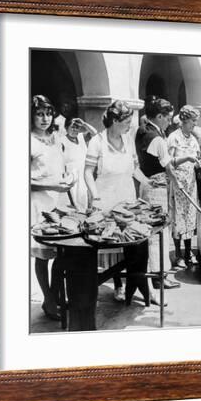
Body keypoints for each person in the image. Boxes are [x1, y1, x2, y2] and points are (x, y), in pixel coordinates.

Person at [84, 100, 157, 305]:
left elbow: (134, 169)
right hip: (105, 198)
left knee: (137, 241)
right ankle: (118, 285)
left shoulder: (128, 139)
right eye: (126, 121)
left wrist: (149, 182)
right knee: (113, 242)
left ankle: (145, 287)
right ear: (115, 120)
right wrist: (95, 197)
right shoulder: (97, 141)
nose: (129, 125)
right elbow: (88, 172)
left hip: (126, 196)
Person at [30, 95, 74, 320]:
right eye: (39, 114)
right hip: (39, 204)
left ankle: (55, 294)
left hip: (58, 203)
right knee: (42, 255)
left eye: (48, 113)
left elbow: (64, 165)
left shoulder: (56, 138)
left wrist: (69, 179)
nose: (45, 118)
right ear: (32, 116)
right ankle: (48, 300)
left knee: (62, 252)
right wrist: (51, 185)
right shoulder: (28, 141)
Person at [136, 97, 186, 289]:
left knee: (150, 230)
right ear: (159, 116)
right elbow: (168, 168)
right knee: (159, 232)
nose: (169, 122)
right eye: (167, 118)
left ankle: (154, 274)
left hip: (146, 186)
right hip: (157, 189)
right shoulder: (157, 138)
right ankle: (159, 276)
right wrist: (178, 184)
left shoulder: (142, 131)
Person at [168, 105, 201, 268]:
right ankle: (178, 254)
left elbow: (196, 158)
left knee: (190, 217)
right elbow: (168, 162)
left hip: (191, 183)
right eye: (192, 121)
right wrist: (186, 158)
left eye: (196, 122)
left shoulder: (193, 139)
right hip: (177, 184)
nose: (194, 124)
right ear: (183, 120)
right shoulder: (173, 137)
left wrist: (200, 164)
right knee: (178, 217)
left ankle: (189, 251)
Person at [57, 116, 98, 212]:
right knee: (76, 204)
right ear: (66, 128)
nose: (75, 130)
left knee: (88, 202)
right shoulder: (61, 141)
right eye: (72, 127)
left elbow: (95, 133)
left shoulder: (81, 137)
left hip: (84, 174)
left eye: (77, 127)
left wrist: (83, 124)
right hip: (72, 175)